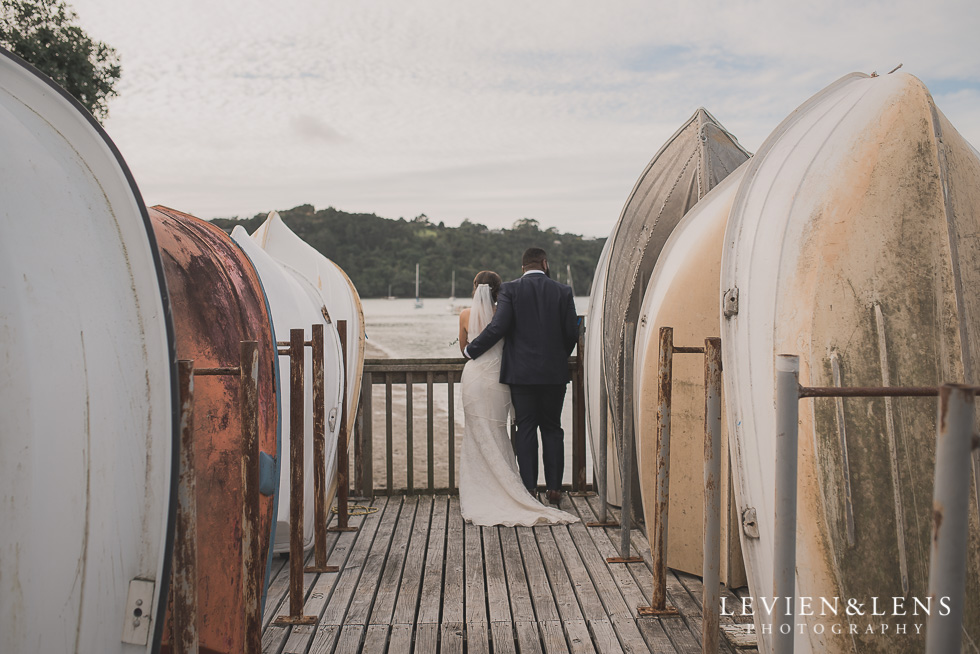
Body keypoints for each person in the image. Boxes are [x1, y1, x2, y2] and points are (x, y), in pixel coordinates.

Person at [457, 270, 577, 526]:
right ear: (544, 263)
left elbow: (497, 329)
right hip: (552, 374)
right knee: (553, 429)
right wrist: (558, 357)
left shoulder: (511, 293)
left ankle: (529, 488)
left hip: (514, 376)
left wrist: (470, 350)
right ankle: (554, 488)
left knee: (525, 429)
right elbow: (571, 333)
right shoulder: (563, 291)